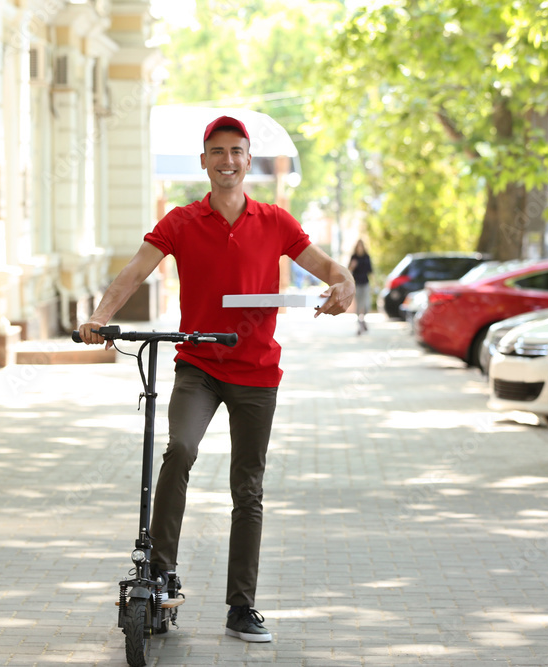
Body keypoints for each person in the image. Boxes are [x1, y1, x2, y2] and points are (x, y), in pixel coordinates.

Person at [77, 116, 354, 643]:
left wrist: (345, 288)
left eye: (237, 152)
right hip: (198, 365)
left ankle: (241, 607)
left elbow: (330, 270)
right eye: (217, 152)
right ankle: (157, 576)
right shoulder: (181, 221)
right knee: (179, 448)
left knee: (247, 488)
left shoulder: (276, 221)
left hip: (256, 371)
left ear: (248, 161)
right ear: (203, 162)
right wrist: (98, 316)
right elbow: (134, 272)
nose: (227, 160)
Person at [349, 240, 373, 335]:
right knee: (359, 305)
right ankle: (360, 325)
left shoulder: (366, 257)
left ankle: (363, 321)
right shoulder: (354, 257)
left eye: (361, 246)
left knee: (367, 305)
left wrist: (375, 283)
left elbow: (371, 270)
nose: (359, 248)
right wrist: (352, 266)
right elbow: (349, 270)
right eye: (358, 246)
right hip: (357, 284)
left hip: (365, 283)